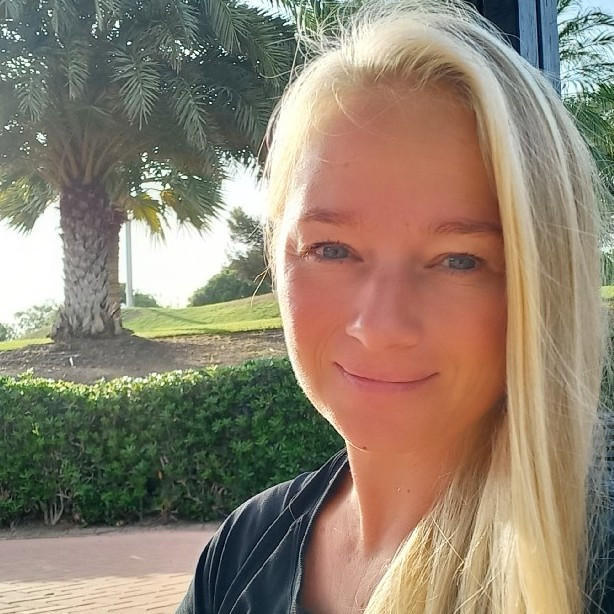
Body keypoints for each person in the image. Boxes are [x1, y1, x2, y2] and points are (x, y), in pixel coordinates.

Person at [176, 1, 613, 612]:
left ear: (543, 282)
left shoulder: (595, 560)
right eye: (332, 249)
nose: (379, 326)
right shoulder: (242, 551)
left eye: (459, 260)